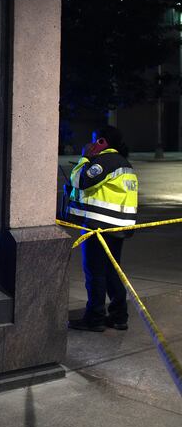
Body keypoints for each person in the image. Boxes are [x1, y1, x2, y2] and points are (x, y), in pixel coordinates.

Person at [66, 126, 138, 332]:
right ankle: (118, 316)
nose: (90, 144)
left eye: (93, 140)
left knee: (95, 273)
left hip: (98, 226)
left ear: (102, 142)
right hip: (118, 227)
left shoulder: (104, 162)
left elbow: (80, 181)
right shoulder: (125, 164)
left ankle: (95, 318)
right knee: (112, 272)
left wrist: (84, 158)